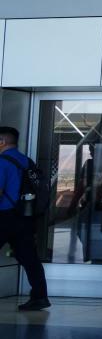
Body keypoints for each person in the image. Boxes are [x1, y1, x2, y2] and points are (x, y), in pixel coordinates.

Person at [0, 126, 51, 311]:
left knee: (27, 256)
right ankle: (40, 296)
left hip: (5, 215)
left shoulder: (2, 162)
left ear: (2, 142)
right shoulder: (26, 161)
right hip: (25, 216)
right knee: (29, 257)